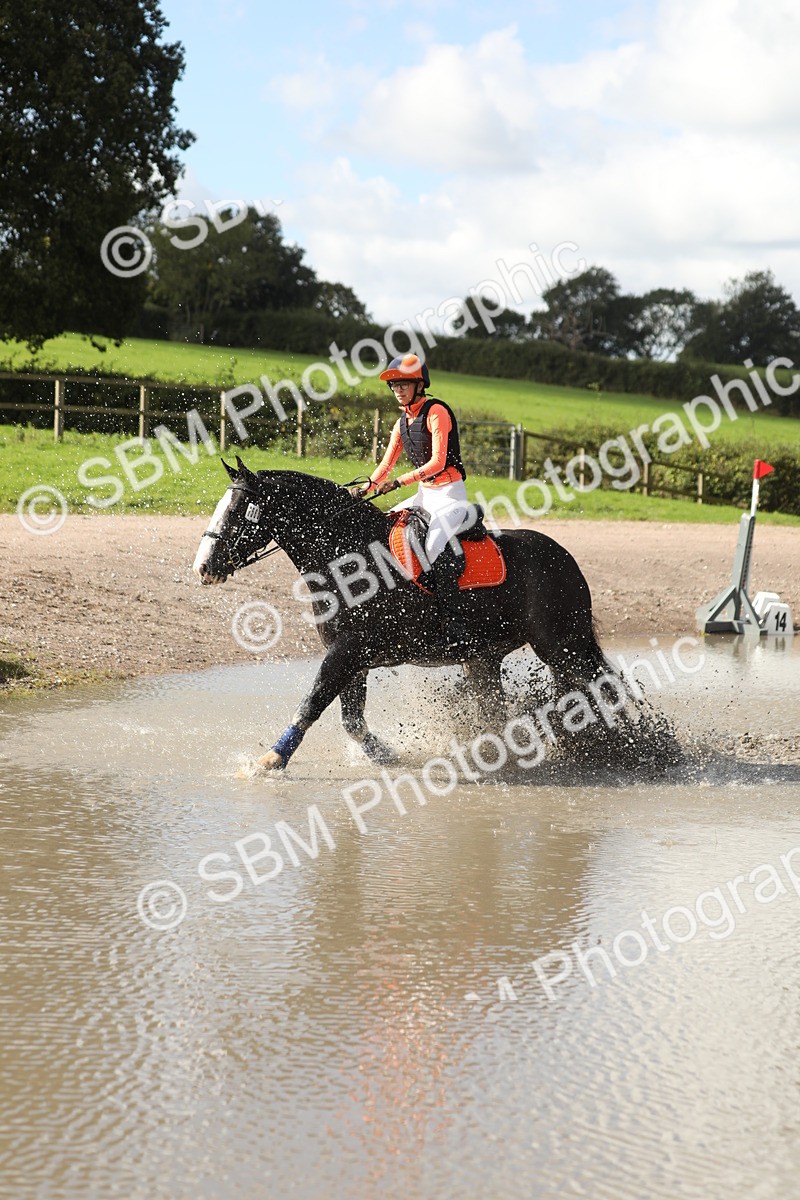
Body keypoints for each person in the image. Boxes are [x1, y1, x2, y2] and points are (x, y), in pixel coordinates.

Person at [349, 353, 474, 651]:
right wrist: (365, 488)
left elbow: (438, 461)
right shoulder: (401, 423)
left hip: (449, 495)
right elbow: (385, 467)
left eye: (404, 384)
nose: (398, 390)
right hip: (424, 495)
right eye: (394, 386)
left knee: (432, 546)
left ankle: (455, 623)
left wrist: (401, 482)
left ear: (420, 385)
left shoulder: (436, 412)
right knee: (385, 526)